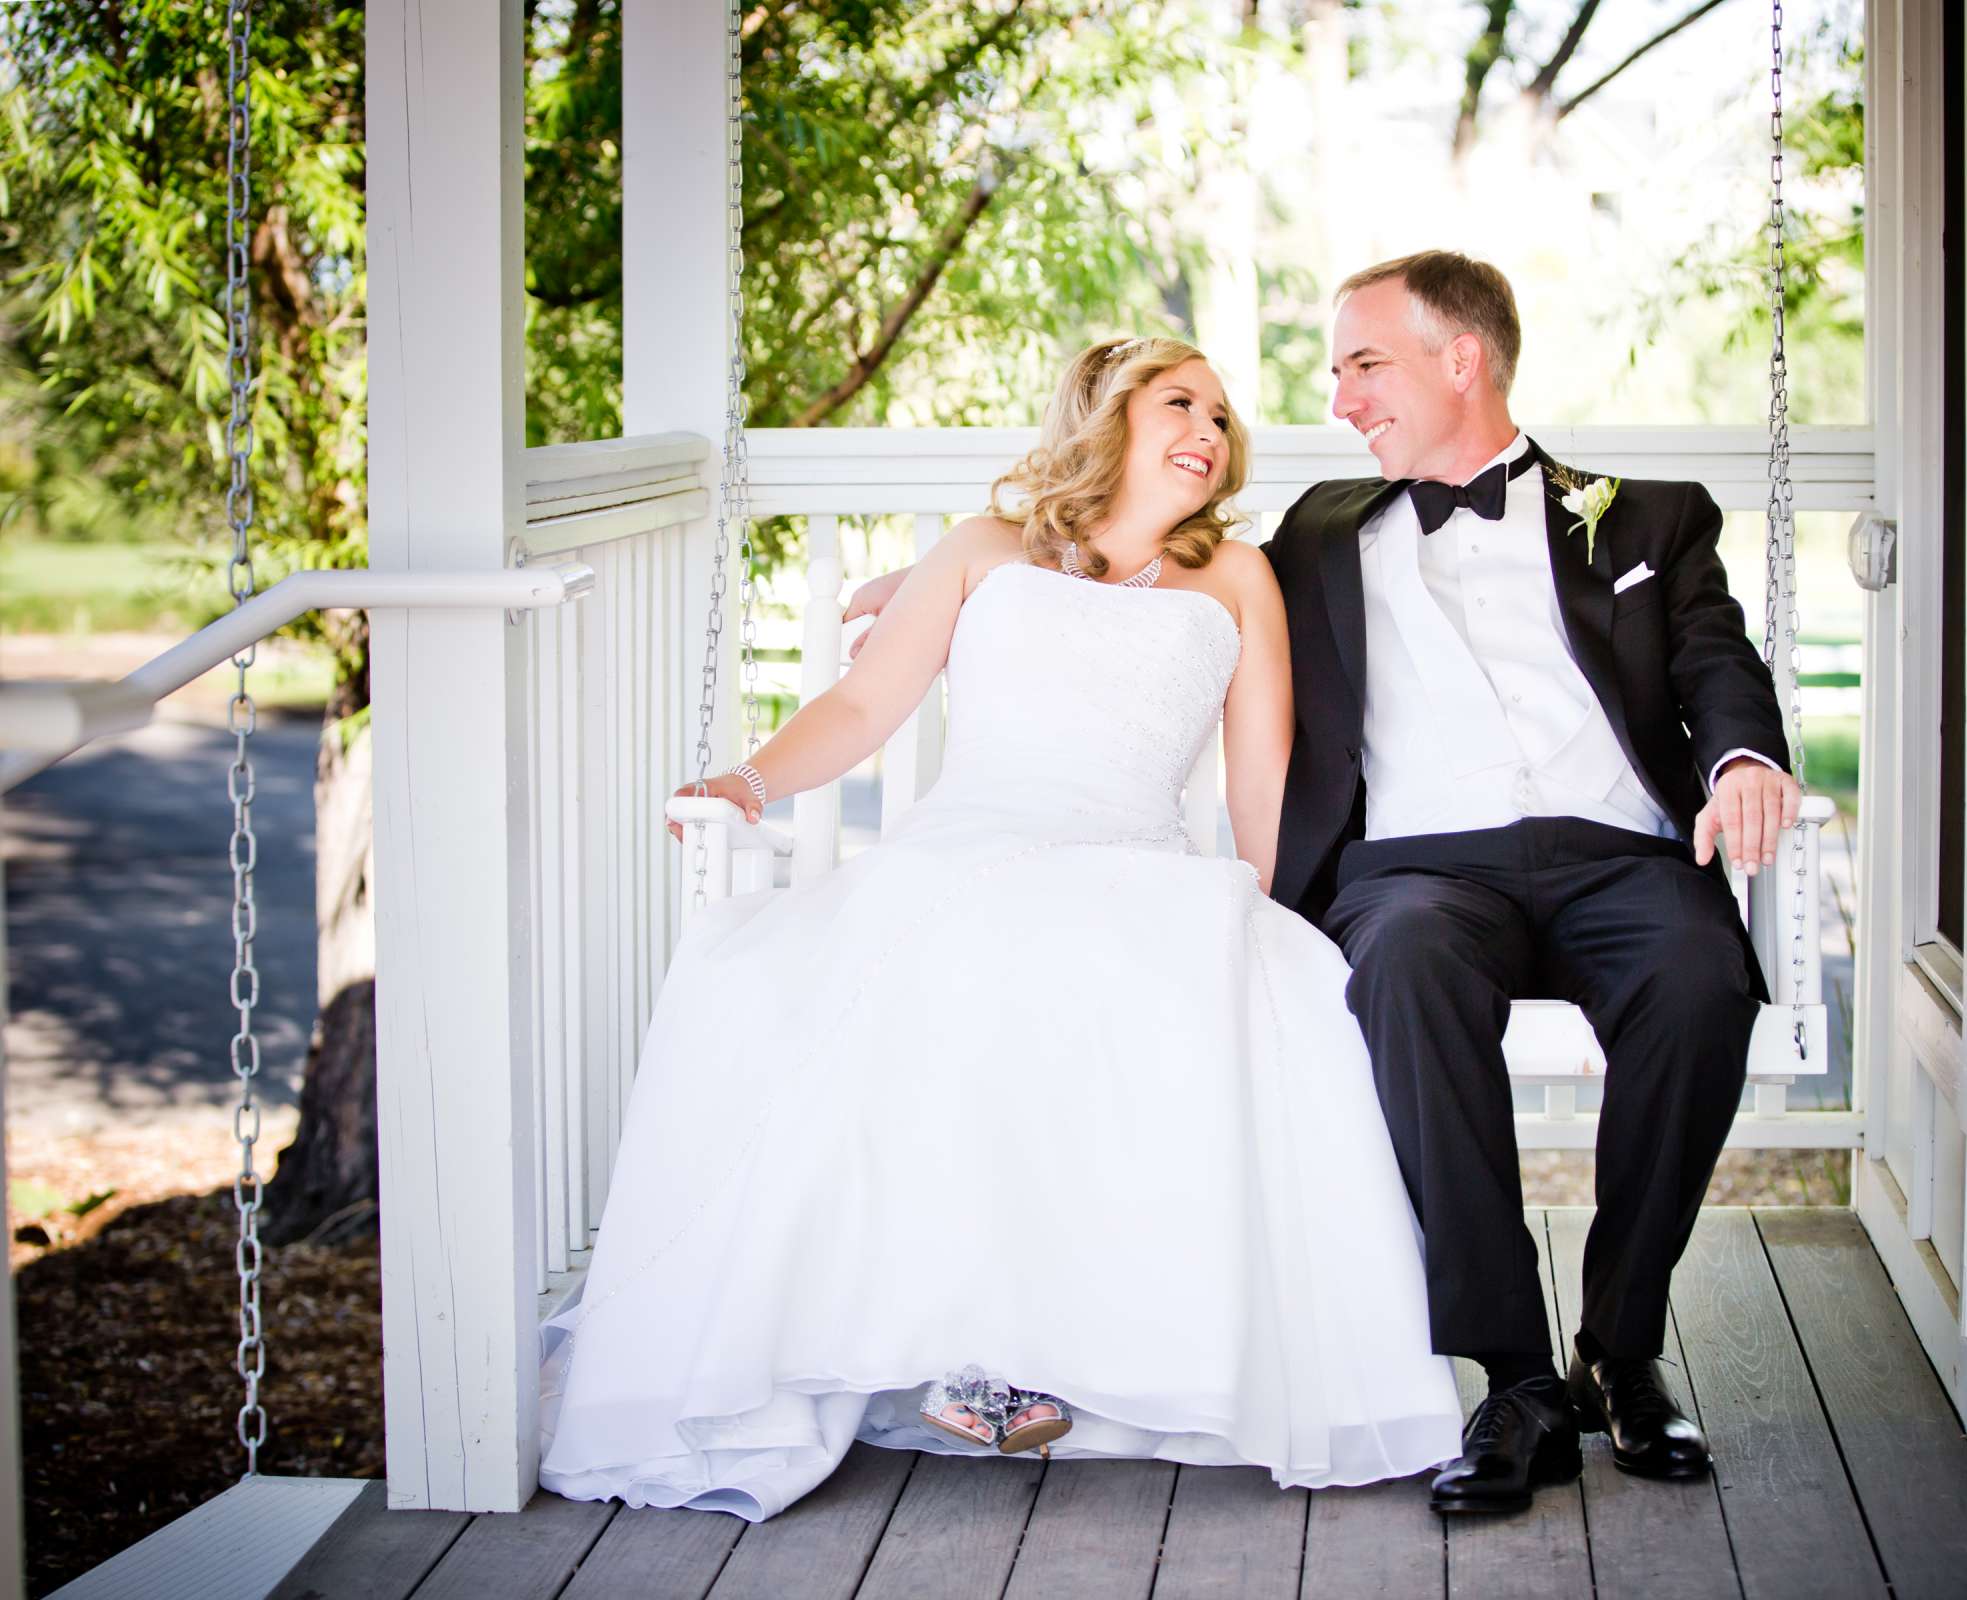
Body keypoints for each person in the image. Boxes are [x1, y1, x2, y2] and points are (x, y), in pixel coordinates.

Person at [850, 252, 1802, 1519]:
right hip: (1424, 874)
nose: (1340, 398)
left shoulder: (1648, 516)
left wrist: (1743, 753)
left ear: (1460, 360)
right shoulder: (1318, 530)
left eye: (1364, 365)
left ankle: (1619, 1350)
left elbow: (1715, 656)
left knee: (1701, 983)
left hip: (1617, 853)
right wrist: (938, 593)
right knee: (1399, 968)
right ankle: (1513, 1374)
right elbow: (1130, 562)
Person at [535, 336, 1463, 1521]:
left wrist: (1273, 920)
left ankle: (1084, 1356)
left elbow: (1261, 785)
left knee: (1145, 973)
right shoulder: (985, 552)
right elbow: (868, 701)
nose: (1211, 430)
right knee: (941, 956)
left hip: (1134, 863)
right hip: (961, 850)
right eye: (1181, 402)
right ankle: (966, 1355)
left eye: (1225, 418)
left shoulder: (1235, 578)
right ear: (1105, 414)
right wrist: (748, 784)